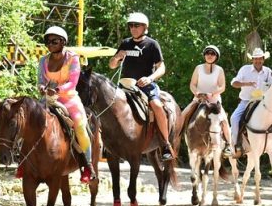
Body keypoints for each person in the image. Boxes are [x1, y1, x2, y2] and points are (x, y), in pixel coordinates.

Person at [18, 26, 95, 183]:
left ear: (63, 42)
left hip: (69, 98)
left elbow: (73, 82)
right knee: (28, 122)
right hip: (47, 99)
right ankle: (23, 161)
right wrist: (41, 87)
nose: (50, 44)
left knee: (80, 127)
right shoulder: (43, 60)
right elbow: (41, 80)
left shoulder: (72, 58)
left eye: (54, 41)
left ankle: (87, 166)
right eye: (47, 41)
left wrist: (58, 90)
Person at [108, 12, 174, 160]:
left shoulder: (152, 44)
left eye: (136, 25)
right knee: (106, 104)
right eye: (130, 25)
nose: (133, 28)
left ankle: (165, 144)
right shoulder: (125, 43)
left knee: (156, 105)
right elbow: (112, 66)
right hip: (125, 85)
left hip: (144, 86)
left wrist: (149, 79)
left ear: (145, 27)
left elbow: (161, 68)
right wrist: (117, 57)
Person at [229, 47, 272, 158]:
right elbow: (234, 83)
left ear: (263, 59)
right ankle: (236, 146)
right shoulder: (244, 69)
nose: (258, 61)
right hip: (246, 101)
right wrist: (247, 84)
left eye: (260, 59)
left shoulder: (268, 71)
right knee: (234, 118)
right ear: (252, 60)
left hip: (263, 102)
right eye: (255, 59)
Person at [182, 45, 233, 157]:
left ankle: (228, 145)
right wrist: (197, 93)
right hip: (199, 100)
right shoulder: (198, 68)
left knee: (224, 120)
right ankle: (174, 139)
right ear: (204, 55)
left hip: (214, 101)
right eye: (207, 53)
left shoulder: (219, 70)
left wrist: (212, 93)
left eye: (212, 54)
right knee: (182, 115)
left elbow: (222, 86)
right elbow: (192, 84)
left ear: (216, 57)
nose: (209, 56)